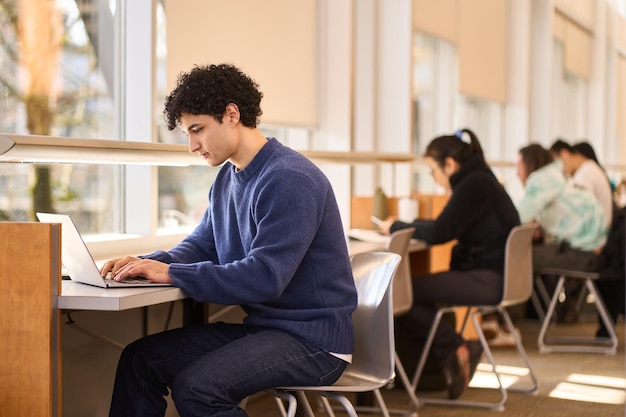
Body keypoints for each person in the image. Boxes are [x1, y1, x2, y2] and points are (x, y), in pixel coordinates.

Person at [101, 63, 358, 417]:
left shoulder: (289, 178)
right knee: (140, 360)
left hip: (314, 342)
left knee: (198, 389)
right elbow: (203, 245)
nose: (192, 145)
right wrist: (147, 262)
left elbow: (265, 277)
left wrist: (173, 274)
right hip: (267, 330)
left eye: (198, 130)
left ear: (232, 114)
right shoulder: (228, 178)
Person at [379, 128, 520, 400]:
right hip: (495, 274)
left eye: (433, 170)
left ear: (450, 164)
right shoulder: (482, 179)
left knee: (396, 293)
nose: (433, 178)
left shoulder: (474, 185)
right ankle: (453, 353)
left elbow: (439, 232)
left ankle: (455, 347)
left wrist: (395, 226)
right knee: (408, 293)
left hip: (487, 278)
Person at [515, 144, 608, 322]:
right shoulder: (556, 175)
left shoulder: (541, 180)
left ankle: (507, 321)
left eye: (517, 166)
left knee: (520, 257)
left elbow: (518, 218)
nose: (516, 173)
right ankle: (538, 315)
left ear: (529, 164)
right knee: (533, 253)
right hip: (595, 249)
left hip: (586, 253)